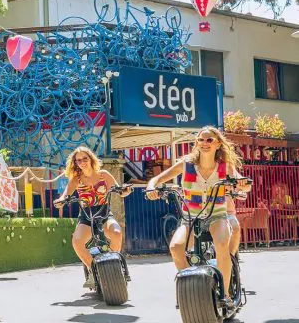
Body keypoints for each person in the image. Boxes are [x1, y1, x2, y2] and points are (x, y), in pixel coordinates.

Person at [145, 126, 251, 309]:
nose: (205, 143)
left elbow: (245, 185)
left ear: (218, 144)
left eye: (209, 140)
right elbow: (156, 180)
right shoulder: (186, 164)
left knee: (222, 245)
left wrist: (242, 184)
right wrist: (151, 189)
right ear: (196, 143)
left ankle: (224, 294)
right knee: (176, 247)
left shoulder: (225, 166)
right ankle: (190, 286)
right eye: (201, 140)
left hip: (216, 216)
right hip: (190, 218)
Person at [53, 146, 132, 289]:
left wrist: (126, 190)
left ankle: (115, 266)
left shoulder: (104, 174)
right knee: (77, 242)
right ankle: (93, 271)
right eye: (78, 160)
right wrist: (60, 202)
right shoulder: (76, 179)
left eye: (85, 158)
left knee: (116, 232)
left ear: (91, 159)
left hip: (104, 214)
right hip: (86, 217)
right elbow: (65, 195)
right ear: (75, 163)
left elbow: (120, 191)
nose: (82, 162)